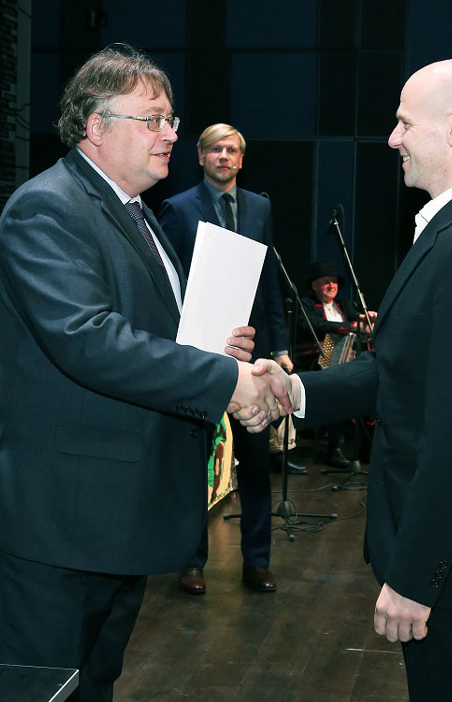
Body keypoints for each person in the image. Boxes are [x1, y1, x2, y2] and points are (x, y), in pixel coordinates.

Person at [0, 44, 286, 702]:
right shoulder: (47, 208)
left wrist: (213, 354)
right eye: (153, 119)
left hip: (108, 515)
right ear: (95, 126)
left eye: (171, 120)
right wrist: (224, 380)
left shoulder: (135, 212)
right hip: (52, 519)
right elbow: (88, 340)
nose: (170, 134)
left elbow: (143, 335)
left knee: (89, 699)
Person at [234, 58, 452, 702]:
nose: (392, 138)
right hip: (449, 556)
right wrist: (292, 389)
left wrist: (415, 576)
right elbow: (397, 371)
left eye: (405, 122)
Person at [158, 122, 291, 595]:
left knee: (256, 463)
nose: (224, 156)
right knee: (195, 463)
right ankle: (190, 561)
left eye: (232, 149)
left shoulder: (260, 208)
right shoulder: (177, 208)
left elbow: (268, 280)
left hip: (251, 356)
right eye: (215, 149)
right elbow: (166, 284)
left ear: (241, 159)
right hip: (197, 355)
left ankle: (257, 562)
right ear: (200, 156)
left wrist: (281, 347)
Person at [299, 259, 376, 468]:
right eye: (326, 282)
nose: (331, 286)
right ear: (315, 285)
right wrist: (351, 326)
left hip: (347, 359)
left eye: (334, 282)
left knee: (369, 380)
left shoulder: (343, 305)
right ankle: (335, 450)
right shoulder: (306, 304)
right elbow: (314, 325)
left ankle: (366, 447)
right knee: (339, 384)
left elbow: (357, 321)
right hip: (317, 359)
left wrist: (365, 320)